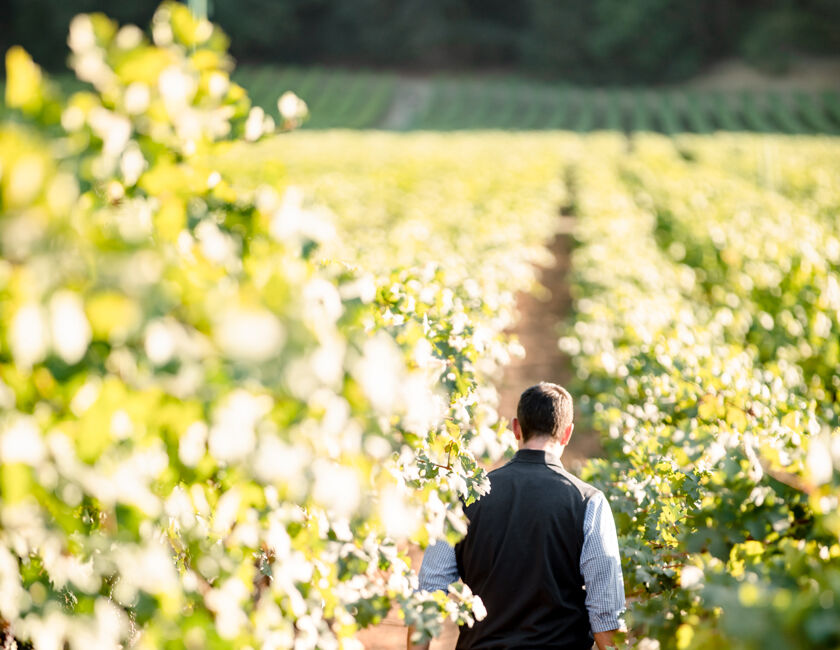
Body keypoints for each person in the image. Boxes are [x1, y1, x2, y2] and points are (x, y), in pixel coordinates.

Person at [407, 382, 625, 650]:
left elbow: (427, 599)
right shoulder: (589, 504)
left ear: (516, 428)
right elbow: (606, 621)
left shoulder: (465, 498)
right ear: (567, 434)